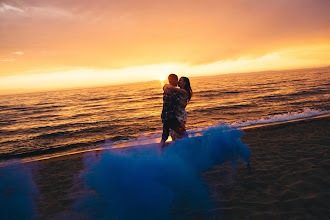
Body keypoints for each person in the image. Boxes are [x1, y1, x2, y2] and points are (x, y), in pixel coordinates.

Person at [160, 74, 188, 149]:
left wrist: (166, 86)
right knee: (183, 133)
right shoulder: (173, 92)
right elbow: (182, 104)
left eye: (179, 80)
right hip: (171, 117)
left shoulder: (168, 89)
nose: (178, 82)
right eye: (177, 80)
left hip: (165, 116)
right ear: (173, 80)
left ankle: (159, 150)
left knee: (165, 135)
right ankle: (185, 148)